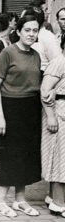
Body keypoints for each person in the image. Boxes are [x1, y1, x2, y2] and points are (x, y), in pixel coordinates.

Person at [0, 15, 42, 218]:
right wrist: (1, 117)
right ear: (18, 31)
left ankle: (20, 199)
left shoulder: (36, 55)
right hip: (11, 107)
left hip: (31, 108)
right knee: (12, 155)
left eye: (35, 30)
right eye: (27, 30)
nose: (31, 34)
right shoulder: (8, 52)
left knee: (27, 154)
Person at [40, 46, 65, 217]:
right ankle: (59, 203)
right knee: (59, 158)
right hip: (58, 112)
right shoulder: (59, 62)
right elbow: (44, 90)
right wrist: (50, 116)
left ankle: (53, 196)